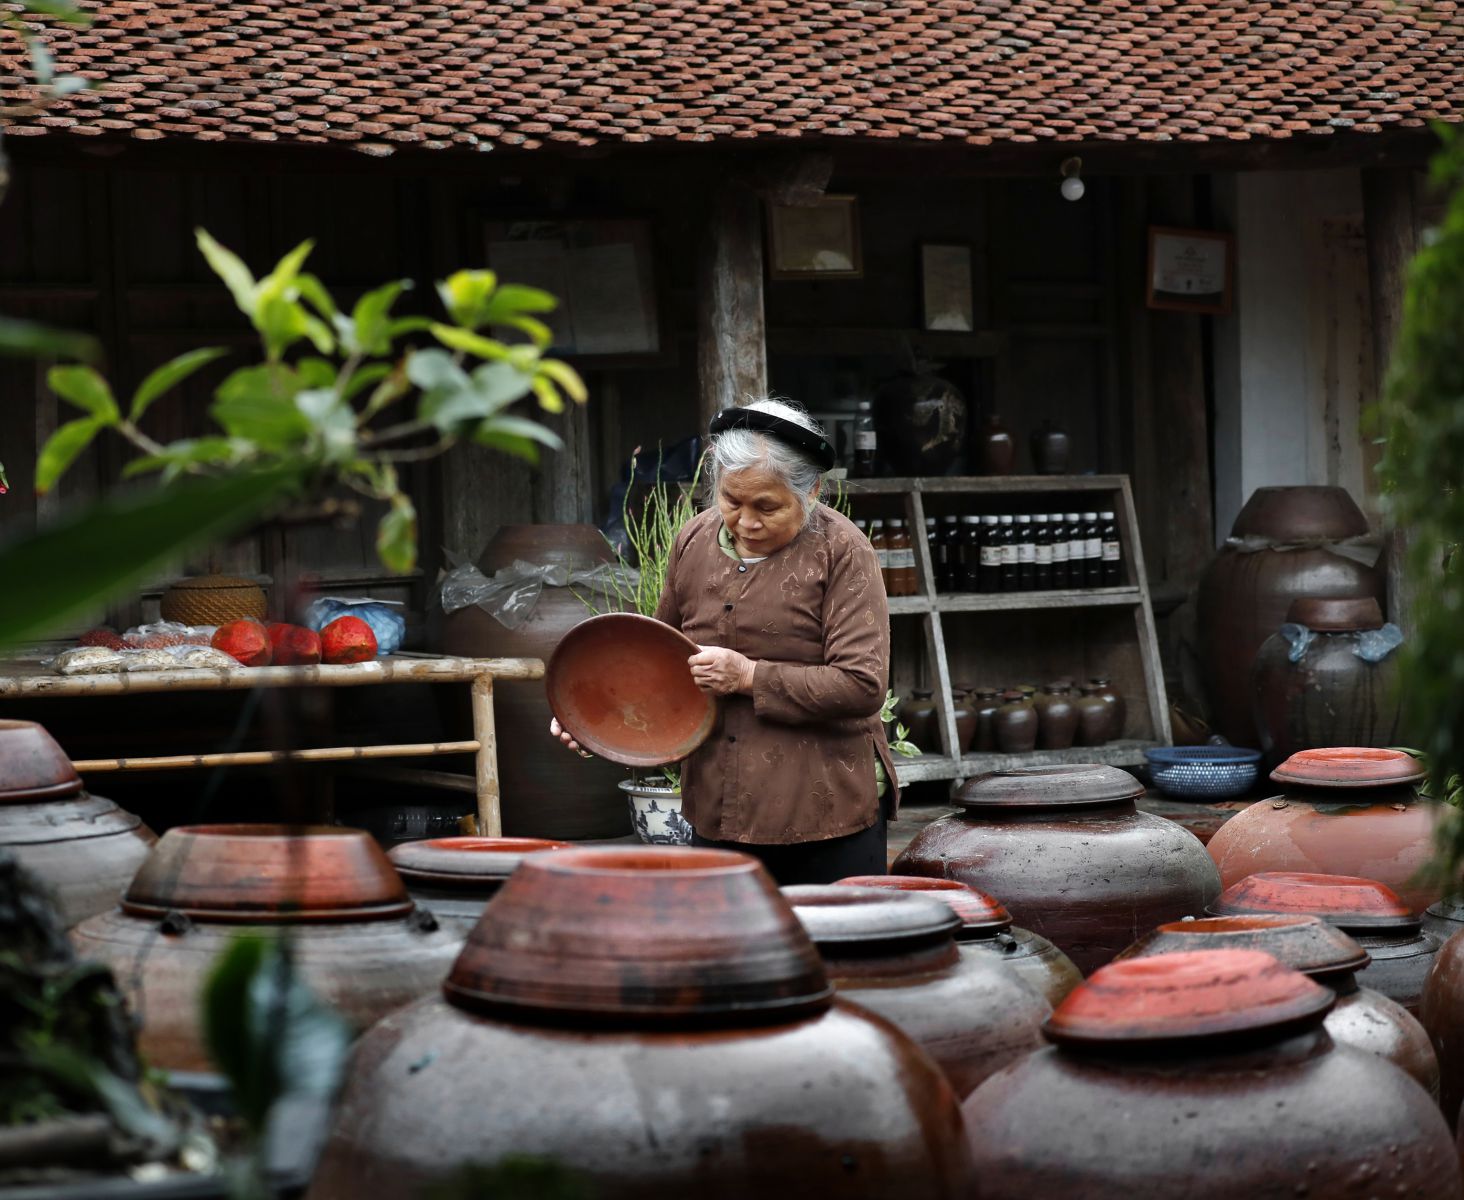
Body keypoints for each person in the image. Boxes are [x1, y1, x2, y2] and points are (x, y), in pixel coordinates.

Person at [553, 397, 897, 884]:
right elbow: (659, 662)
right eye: (731, 501)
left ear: (813, 491)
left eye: (767, 507)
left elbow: (862, 685)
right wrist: (592, 717)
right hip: (718, 806)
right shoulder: (692, 540)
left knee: (827, 954)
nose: (746, 522)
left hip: (823, 811)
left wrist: (749, 675)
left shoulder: (841, 551)